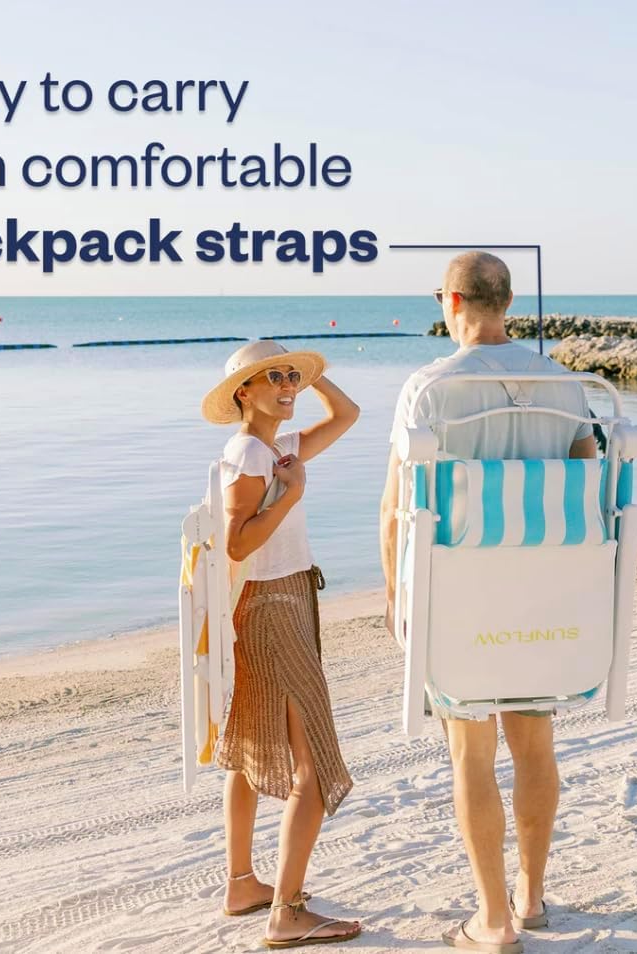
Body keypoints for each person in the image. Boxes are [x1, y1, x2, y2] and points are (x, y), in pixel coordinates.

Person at [379, 252, 597, 953]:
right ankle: (532, 898)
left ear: (451, 300)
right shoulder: (563, 384)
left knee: (470, 756)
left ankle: (494, 921)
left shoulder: (429, 389)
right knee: (534, 745)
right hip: (543, 593)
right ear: (507, 302)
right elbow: (585, 485)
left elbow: (395, 509)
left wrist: (394, 596)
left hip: (459, 596)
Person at [201, 339, 362, 949]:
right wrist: (291, 494)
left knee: (250, 745)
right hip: (271, 607)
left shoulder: (278, 447)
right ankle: (287, 912)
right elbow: (237, 543)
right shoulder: (249, 452)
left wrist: (310, 375)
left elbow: (346, 416)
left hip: (280, 601)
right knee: (313, 765)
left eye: (290, 376)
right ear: (243, 392)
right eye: (272, 378)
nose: (286, 386)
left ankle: (243, 884)